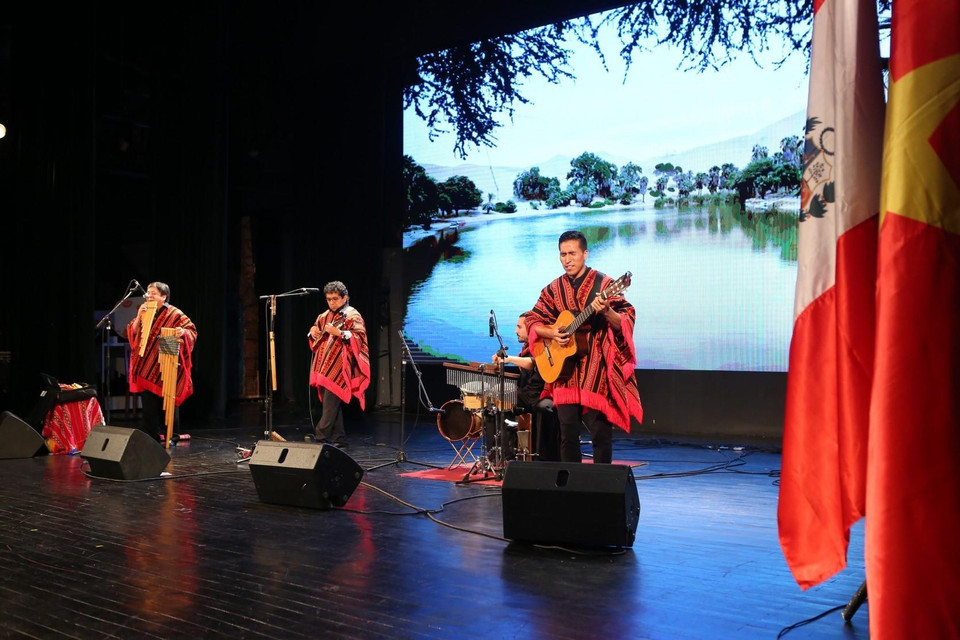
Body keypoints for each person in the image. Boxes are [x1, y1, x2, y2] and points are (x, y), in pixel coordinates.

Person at [525, 230, 643, 463]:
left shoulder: (605, 283)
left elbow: (626, 318)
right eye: (562, 255)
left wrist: (607, 310)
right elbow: (532, 319)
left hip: (595, 367)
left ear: (585, 254)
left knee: (600, 431)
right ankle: (571, 485)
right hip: (564, 373)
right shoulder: (553, 289)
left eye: (572, 254)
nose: (567, 259)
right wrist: (551, 332)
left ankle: (601, 484)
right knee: (567, 434)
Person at [127, 282, 198, 443]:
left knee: (169, 401)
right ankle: (151, 434)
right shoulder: (145, 311)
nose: (149, 296)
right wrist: (139, 316)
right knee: (148, 403)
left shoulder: (174, 313)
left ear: (163, 296)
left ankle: (171, 435)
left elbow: (191, 331)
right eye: (148, 293)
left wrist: (182, 332)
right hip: (146, 362)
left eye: (153, 293)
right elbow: (133, 331)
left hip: (167, 356)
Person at [306, 281, 370, 448]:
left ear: (345, 298)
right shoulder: (324, 316)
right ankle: (339, 438)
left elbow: (359, 337)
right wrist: (312, 331)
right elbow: (315, 332)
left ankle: (320, 436)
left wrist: (340, 333)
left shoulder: (352, 315)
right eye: (328, 299)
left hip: (341, 368)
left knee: (330, 404)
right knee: (331, 403)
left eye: (335, 299)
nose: (332, 302)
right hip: (325, 367)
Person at [492, 312, 560, 462]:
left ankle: (531, 458)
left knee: (541, 407)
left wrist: (508, 359)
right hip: (527, 395)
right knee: (493, 405)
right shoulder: (526, 348)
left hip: (541, 395)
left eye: (519, 327)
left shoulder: (544, 346)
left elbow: (534, 361)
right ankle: (503, 455)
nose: (516, 331)